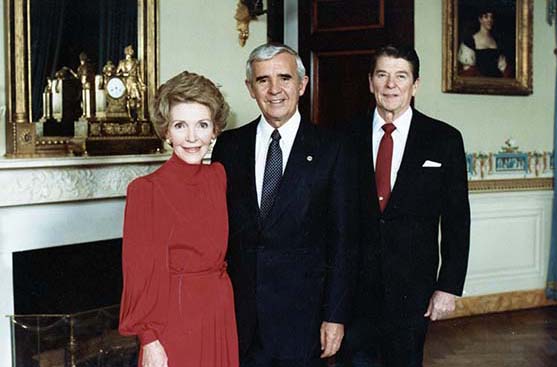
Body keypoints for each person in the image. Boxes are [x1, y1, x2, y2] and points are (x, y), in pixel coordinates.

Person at [211, 43, 354, 367]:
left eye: (284, 78)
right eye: (263, 80)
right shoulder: (229, 147)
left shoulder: (333, 149)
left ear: (302, 85)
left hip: (303, 320)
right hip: (240, 317)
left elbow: (344, 241)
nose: (274, 90)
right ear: (250, 88)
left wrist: (335, 316)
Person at [342, 45, 471, 367]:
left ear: (415, 85)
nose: (391, 85)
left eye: (401, 76)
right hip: (354, 288)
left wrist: (449, 286)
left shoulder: (444, 139)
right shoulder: (343, 136)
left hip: (412, 288)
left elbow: (457, 220)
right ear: (370, 81)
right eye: (382, 75)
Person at [119, 71, 238, 367]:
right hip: (173, 319)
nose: (192, 137)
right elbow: (138, 274)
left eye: (202, 125)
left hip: (219, 311)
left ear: (215, 130)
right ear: (166, 131)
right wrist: (149, 340)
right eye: (180, 125)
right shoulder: (146, 191)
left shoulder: (219, 177)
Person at [458, 8, 512, 78]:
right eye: (486, 17)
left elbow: (503, 67)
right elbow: (468, 71)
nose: (489, 20)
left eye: (491, 17)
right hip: (478, 83)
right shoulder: (470, 41)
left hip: (497, 82)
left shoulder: (497, 41)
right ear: (480, 19)